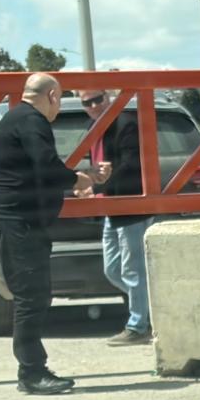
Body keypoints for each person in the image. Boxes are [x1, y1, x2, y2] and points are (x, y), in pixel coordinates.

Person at [0, 72, 94, 395]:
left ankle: (31, 370)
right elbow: (46, 164)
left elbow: (36, 172)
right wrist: (77, 180)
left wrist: (75, 179)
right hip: (15, 223)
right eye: (59, 101)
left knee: (35, 295)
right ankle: (31, 373)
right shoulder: (32, 120)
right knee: (31, 297)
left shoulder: (19, 118)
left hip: (19, 222)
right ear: (53, 96)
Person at [78, 88, 152, 345]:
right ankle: (150, 309)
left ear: (107, 96)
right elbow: (97, 166)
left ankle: (138, 325)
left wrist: (97, 186)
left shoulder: (125, 123)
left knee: (133, 270)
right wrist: (87, 181)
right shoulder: (92, 127)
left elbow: (131, 165)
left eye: (98, 99)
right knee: (112, 269)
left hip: (131, 204)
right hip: (111, 207)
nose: (94, 106)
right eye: (87, 102)